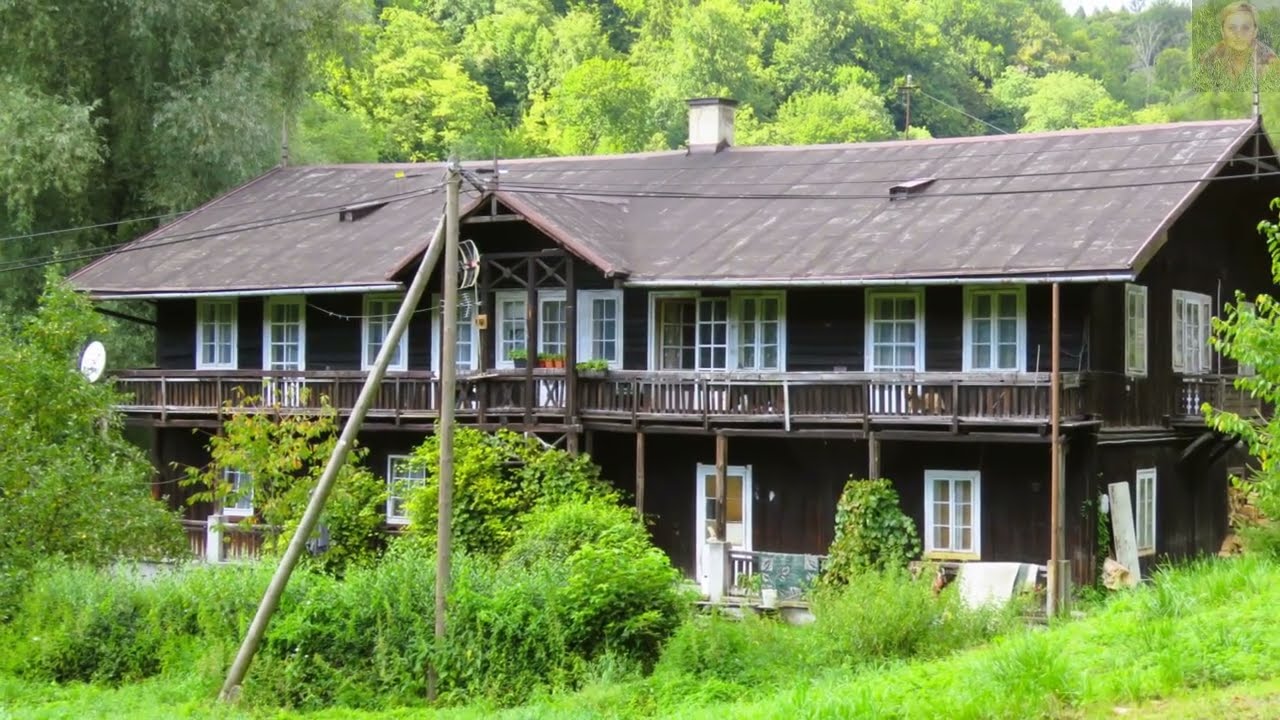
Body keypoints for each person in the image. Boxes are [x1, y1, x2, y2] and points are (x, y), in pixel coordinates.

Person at [1196, 2, 1280, 92]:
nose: (1239, 35)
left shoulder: (1270, 62)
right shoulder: (1210, 58)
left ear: (1255, 31)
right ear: (1222, 31)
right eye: (1232, 28)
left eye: (1245, 28)